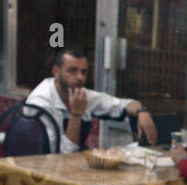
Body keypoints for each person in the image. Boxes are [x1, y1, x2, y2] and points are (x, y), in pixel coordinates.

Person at [25, 47, 158, 153]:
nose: (80, 78)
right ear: (55, 71)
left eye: (84, 72)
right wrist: (76, 114)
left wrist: (141, 111)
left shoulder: (79, 93)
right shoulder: (41, 102)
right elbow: (63, 154)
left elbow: (121, 105)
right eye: (72, 71)